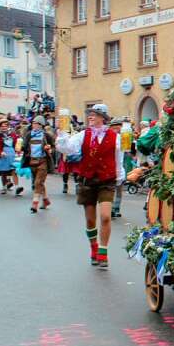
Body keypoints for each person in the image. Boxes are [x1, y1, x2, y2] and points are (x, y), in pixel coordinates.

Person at [56, 104, 125, 269]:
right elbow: (67, 148)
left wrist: (119, 175)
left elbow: (119, 156)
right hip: (87, 181)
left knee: (106, 216)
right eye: (90, 114)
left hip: (107, 180)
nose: (90, 117)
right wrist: (63, 133)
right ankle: (93, 247)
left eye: (94, 114)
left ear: (103, 117)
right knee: (90, 219)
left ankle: (103, 250)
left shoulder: (115, 137)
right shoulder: (83, 135)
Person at [22, 115, 54, 214]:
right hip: (32, 161)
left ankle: (34, 203)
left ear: (41, 125)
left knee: (37, 182)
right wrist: (20, 147)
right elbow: (24, 146)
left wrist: (49, 148)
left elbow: (53, 146)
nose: (34, 125)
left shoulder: (46, 135)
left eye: (36, 123)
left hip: (43, 161)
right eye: (33, 123)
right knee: (39, 182)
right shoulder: (28, 134)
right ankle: (45, 200)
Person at [0, 121, 22, 195]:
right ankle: (4, 187)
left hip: (12, 153)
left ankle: (17, 187)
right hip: (3, 154)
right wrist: (0, 152)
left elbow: (17, 143)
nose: (4, 127)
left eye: (5, 126)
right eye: (2, 126)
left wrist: (18, 149)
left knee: (14, 170)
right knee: (3, 172)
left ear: (8, 126)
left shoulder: (13, 134)